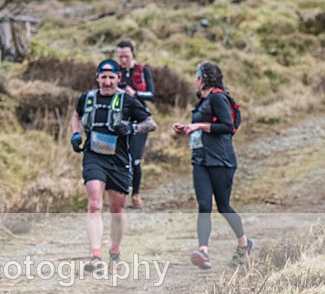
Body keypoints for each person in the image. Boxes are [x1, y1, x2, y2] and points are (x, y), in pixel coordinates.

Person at [70, 59, 156, 272]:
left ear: (118, 78)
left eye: (111, 77)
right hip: (93, 156)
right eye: (103, 77)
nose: (107, 82)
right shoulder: (87, 98)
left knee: (117, 209)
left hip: (119, 160)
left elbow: (150, 123)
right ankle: (95, 256)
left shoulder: (127, 100)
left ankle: (115, 253)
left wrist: (130, 128)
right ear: (97, 77)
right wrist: (75, 134)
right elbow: (77, 115)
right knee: (94, 203)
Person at [172, 62, 253, 270]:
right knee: (204, 205)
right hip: (200, 159)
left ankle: (244, 244)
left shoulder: (217, 97)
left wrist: (198, 125)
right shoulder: (202, 101)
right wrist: (187, 129)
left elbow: (226, 126)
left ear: (203, 78)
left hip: (221, 160)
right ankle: (203, 251)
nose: (194, 81)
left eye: (196, 76)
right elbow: (205, 127)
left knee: (224, 206)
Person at [116, 39, 155, 209]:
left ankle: (136, 194)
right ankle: (121, 192)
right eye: (120, 56)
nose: (123, 59)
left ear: (133, 53)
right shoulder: (115, 72)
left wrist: (135, 93)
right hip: (120, 119)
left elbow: (152, 94)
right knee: (119, 157)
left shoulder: (143, 70)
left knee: (135, 159)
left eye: (126, 56)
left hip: (140, 120)